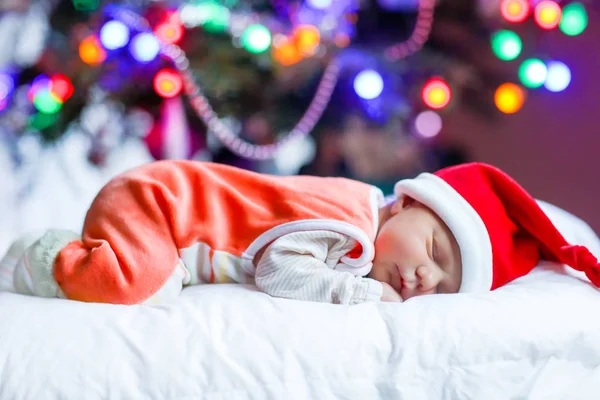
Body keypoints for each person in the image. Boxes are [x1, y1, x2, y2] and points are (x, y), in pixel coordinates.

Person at [1, 160, 599, 305]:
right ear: (408, 204)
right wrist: (357, 293)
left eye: (444, 283)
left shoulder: (372, 227)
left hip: (165, 215)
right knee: (137, 286)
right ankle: (36, 257)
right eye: (437, 250)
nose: (426, 276)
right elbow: (277, 269)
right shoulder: (349, 223)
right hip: (158, 204)